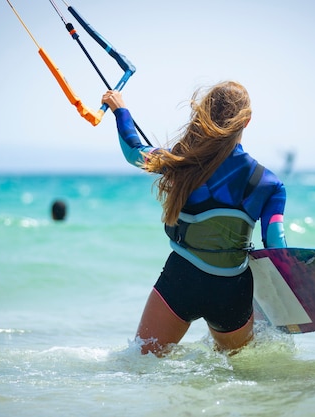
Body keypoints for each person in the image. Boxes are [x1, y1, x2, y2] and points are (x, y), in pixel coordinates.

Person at [101, 81, 287, 356]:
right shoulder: (268, 184)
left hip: (180, 281)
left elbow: (134, 152)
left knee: (140, 366)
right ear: (247, 121)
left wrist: (121, 110)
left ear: (205, 114)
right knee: (241, 376)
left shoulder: (181, 161)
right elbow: (276, 248)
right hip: (232, 292)